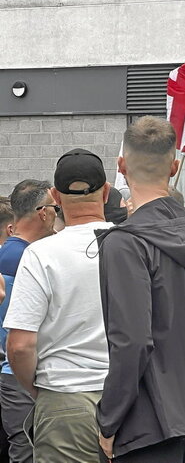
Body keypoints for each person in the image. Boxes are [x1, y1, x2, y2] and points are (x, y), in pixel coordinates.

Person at [96, 116, 185, 462]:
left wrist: (107, 422)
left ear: (121, 165)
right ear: (174, 167)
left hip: (148, 424)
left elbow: (132, 342)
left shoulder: (124, 244)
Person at [4, 149, 114, 462]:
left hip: (64, 398)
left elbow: (20, 347)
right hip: (132, 398)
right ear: (106, 192)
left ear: (55, 196)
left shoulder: (41, 254)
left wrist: (39, 391)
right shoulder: (135, 247)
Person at [0, 179, 57, 463]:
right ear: (42, 212)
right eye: (54, 207)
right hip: (20, 374)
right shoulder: (28, 259)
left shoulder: (8, 253)